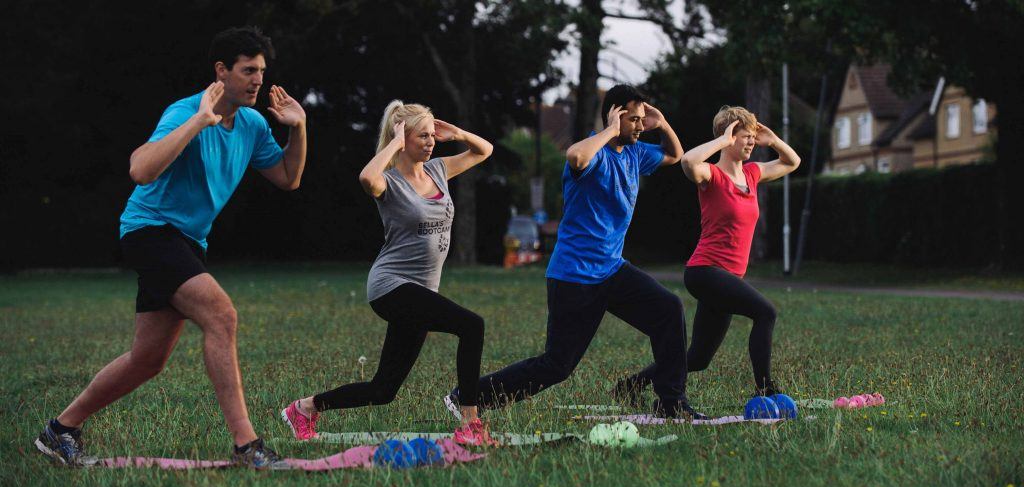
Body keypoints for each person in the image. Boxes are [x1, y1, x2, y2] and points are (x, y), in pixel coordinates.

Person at [34, 26, 307, 469]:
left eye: (261, 71)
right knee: (222, 315)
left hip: (188, 242)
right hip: (149, 231)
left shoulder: (254, 124)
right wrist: (200, 121)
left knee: (147, 360)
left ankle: (60, 429)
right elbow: (140, 169)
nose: (258, 80)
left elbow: (288, 179)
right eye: (248, 70)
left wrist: (300, 129)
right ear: (221, 71)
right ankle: (247, 446)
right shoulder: (184, 112)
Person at [446, 84, 705, 419]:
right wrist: (610, 130)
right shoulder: (593, 153)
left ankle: (671, 402)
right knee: (556, 365)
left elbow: (674, 155)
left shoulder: (636, 153)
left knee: (669, 310)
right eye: (635, 120)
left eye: (643, 120)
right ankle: (466, 396)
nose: (641, 126)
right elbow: (575, 156)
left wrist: (663, 123)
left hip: (612, 269)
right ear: (615, 115)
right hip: (575, 275)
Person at [281, 100, 496, 445]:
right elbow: (367, 177)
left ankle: (304, 408)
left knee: (383, 389)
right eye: (421, 136)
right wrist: (393, 144)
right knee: (472, 326)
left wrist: (455, 132)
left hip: (422, 291)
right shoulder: (388, 183)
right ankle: (470, 423)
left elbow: (484, 150)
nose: (430, 142)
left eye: (431, 135)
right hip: (391, 286)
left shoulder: (439, 170)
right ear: (403, 138)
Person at [616, 105, 801, 400]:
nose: (751, 142)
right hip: (705, 271)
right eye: (745, 136)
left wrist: (773, 140)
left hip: (729, 277)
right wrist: (722, 141)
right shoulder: (711, 175)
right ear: (728, 137)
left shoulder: (752, 174)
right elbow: (688, 161)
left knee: (699, 358)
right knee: (765, 312)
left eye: (753, 137)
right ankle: (765, 388)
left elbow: (793, 162)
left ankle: (631, 385)